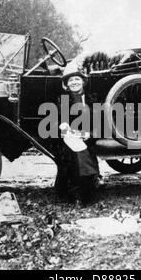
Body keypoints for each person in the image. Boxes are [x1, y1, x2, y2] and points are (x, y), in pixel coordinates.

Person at [53, 61, 101, 206]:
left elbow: (99, 123)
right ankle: (80, 193)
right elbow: (57, 121)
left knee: (82, 149)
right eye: (71, 80)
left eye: (77, 79)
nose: (74, 82)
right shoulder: (63, 100)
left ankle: (87, 192)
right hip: (66, 137)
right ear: (66, 84)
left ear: (83, 82)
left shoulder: (92, 99)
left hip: (88, 138)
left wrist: (89, 134)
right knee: (77, 151)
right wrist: (67, 129)